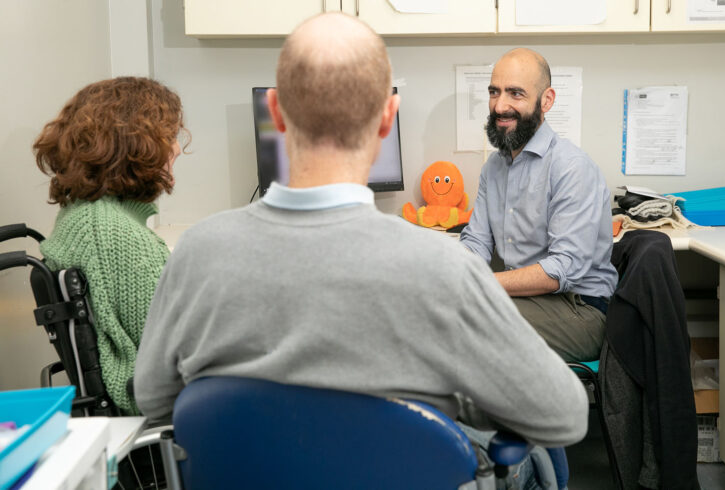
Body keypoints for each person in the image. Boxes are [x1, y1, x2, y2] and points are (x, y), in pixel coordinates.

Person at [135, 13, 587, 453]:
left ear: (276, 111)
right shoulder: (442, 267)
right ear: (388, 116)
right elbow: (563, 415)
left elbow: (152, 400)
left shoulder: (195, 252)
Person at [34, 76, 188, 414]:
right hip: (160, 416)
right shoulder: (114, 236)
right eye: (170, 138)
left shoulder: (83, 216)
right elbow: (174, 358)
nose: (177, 149)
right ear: (135, 144)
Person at [460, 48, 618, 363]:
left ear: (546, 100)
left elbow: (561, 270)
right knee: (438, 311)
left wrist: (479, 284)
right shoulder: (494, 168)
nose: (500, 106)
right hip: (525, 298)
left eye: (515, 93)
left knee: (465, 326)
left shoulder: (571, 167)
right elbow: (476, 242)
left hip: (580, 309)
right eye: (494, 92)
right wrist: (450, 272)